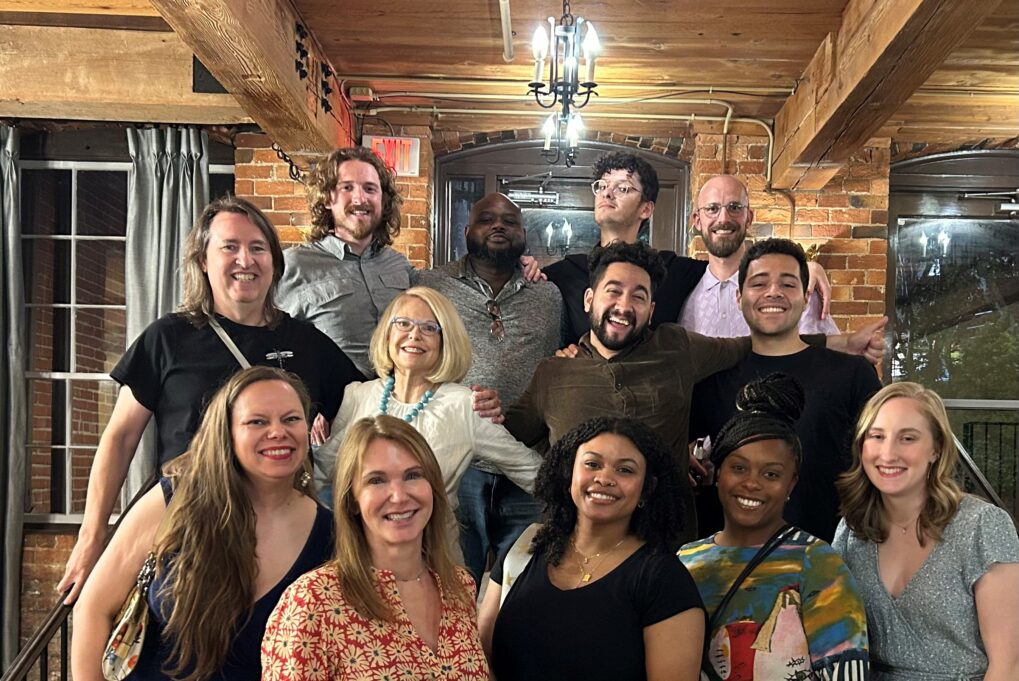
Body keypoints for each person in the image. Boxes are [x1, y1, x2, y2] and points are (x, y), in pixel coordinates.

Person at [58, 196, 360, 604]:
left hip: (284, 536)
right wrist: (92, 536)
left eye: (258, 248)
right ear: (203, 260)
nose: (245, 260)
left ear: (274, 261)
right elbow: (120, 438)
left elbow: (366, 404)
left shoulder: (306, 343)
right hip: (191, 533)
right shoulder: (167, 338)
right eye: (230, 247)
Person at [505, 240, 885, 543]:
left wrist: (842, 342)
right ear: (590, 299)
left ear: (652, 310)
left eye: (638, 296)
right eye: (613, 291)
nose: (624, 305)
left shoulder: (677, 347)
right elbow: (510, 438)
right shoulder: (553, 372)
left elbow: (759, 341)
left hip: (667, 550)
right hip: (577, 545)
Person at [72, 366, 332, 680]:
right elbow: (94, 608)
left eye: (291, 419)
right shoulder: (173, 500)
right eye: (257, 421)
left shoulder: (330, 534)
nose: (278, 432)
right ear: (227, 433)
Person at [315, 287, 542, 554]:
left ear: (446, 341)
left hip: (433, 560)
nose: (414, 334)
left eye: (429, 328)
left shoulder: (465, 405)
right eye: (403, 323)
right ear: (387, 334)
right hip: (358, 558)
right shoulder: (356, 395)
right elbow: (320, 473)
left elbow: (531, 471)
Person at [262, 415, 489, 680]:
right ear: (353, 500)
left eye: (413, 475)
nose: (399, 495)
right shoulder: (312, 602)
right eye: (376, 480)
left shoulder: (460, 587)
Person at [479, 416, 704, 680]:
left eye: (625, 470)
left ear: (647, 489)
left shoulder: (663, 579)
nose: (605, 478)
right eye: (592, 464)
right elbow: (481, 659)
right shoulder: (524, 550)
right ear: (568, 475)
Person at [680, 374, 870, 681]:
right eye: (738, 467)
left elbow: (848, 673)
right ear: (718, 473)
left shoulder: (818, 563)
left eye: (771, 474)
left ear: (790, 484)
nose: (752, 482)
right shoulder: (685, 561)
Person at [416, 191, 563, 586]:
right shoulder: (431, 286)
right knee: (449, 580)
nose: (498, 226)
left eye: (509, 221)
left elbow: (567, 359)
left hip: (528, 465)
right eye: (486, 219)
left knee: (524, 584)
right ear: (466, 231)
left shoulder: (548, 296)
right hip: (456, 465)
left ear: (523, 236)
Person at [690, 238, 881, 541]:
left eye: (788, 284)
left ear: (806, 297)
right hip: (728, 567)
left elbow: (880, 463)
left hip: (828, 558)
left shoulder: (852, 374)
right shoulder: (711, 380)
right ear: (739, 297)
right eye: (759, 283)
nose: (773, 292)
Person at [833, 382, 1019, 680]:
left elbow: (1008, 667)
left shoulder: (982, 526)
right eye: (877, 436)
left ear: (936, 449)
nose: (888, 453)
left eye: (908, 438)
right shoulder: (851, 531)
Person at [543, 152, 832, 342]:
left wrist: (804, 267)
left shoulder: (674, 270)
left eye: (623, 187)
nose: (607, 192)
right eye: (603, 185)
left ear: (646, 209)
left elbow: (728, 262)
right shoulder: (565, 273)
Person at [276, 146, 412, 378]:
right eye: (347, 188)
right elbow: (272, 343)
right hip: (334, 411)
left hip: (401, 408)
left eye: (370, 189)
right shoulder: (294, 265)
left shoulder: (399, 265)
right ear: (328, 198)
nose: (360, 198)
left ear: (383, 200)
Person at [680, 174, 838, 337]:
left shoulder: (793, 292)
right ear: (697, 221)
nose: (724, 218)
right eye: (712, 209)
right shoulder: (682, 298)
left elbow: (827, 354)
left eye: (734, 207)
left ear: (748, 217)